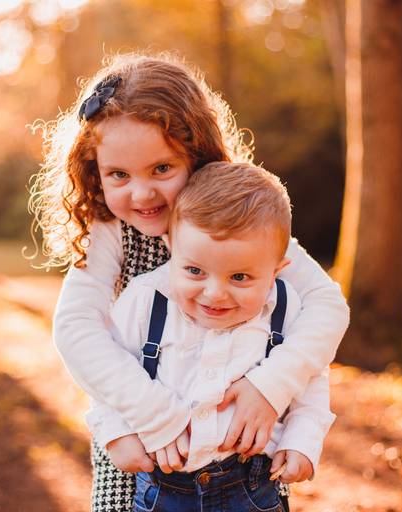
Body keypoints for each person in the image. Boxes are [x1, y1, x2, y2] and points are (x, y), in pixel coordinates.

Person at [29, 52, 350, 511]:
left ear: (197, 155)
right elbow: (76, 330)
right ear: (95, 172)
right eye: (119, 175)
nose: (142, 193)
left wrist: (271, 385)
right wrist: (155, 416)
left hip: (241, 461)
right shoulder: (110, 229)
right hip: (141, 447)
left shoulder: (239, 225)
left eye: (162, 169)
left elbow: (326, 306)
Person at [88, 161, 335, 512]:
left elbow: (310, 380)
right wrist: (116, 433)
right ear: (171, 248)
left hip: (251, 486)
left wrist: (302, 440)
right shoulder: (146, 299)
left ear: (276, 271)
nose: (215, 294)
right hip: (163, 486)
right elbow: (107, 372)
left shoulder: (285, 306)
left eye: (239, 277)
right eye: (194, 271)